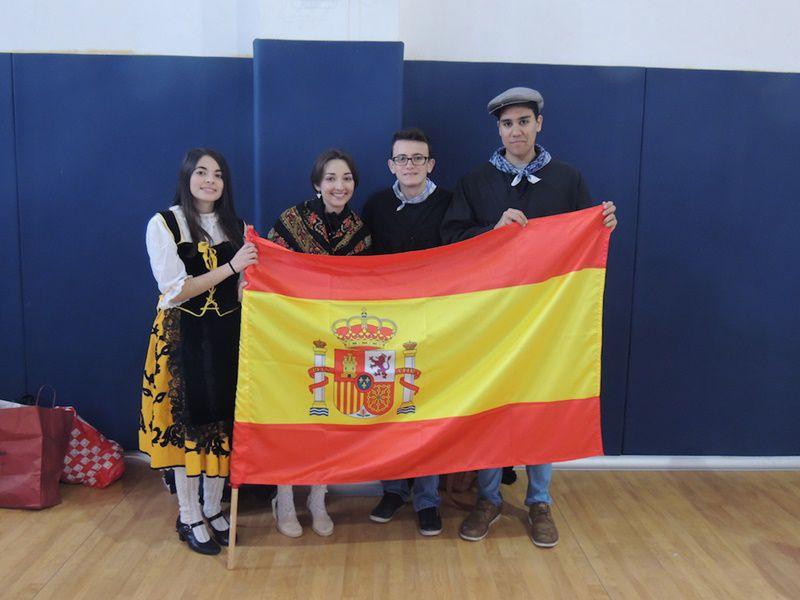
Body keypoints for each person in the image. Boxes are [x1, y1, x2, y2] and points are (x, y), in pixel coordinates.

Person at [440, 86, 617, 547]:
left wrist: (601, 225)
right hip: (490, 318)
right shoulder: (475, 181)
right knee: (489, 405)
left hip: (546, 320)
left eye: (523, 121)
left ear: (539, 123)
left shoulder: (567, 179)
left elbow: (583, 238)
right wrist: (491, 230)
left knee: (542, 403)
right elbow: (452, 239)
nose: (515, 130)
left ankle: (539, 500)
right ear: (497, 130)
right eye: (506, 123)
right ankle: (488, 498)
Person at [141, 148, 258, 555]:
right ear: (187, 176)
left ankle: (213, 507)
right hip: (182, 336)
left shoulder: (237, 226)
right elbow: (175, 291)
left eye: (218, 174)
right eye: (202, 172)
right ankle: (188, 513)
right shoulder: (165, 223)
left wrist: (248, 283)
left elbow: (240, 290)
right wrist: (232, 267)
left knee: (221, 423)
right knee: (188, 426)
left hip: (225, 334)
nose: (210, 180)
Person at [266, 148, 371, 537]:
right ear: (317, 183)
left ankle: (317, 498)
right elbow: (270, 268)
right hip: (291, 336)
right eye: (331, 178)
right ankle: (284, 499)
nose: (339, 186)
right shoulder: (291, 220)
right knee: (289, 418)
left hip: (337, 338)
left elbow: (367, 286)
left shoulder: (360, 231)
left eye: (346, 178)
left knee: (327, 419)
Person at [361, 128, 451, 535]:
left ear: (430, 164)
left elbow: (471, 248)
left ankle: (427, 499)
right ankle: (394, 489)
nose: (410, 165)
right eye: (402, 158)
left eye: (418, 158)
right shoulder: (375, 205)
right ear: (391, 165)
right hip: (387, 325)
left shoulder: (449, 202)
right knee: (389, 403)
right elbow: (358, 261)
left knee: (428, 408)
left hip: (435, 322)